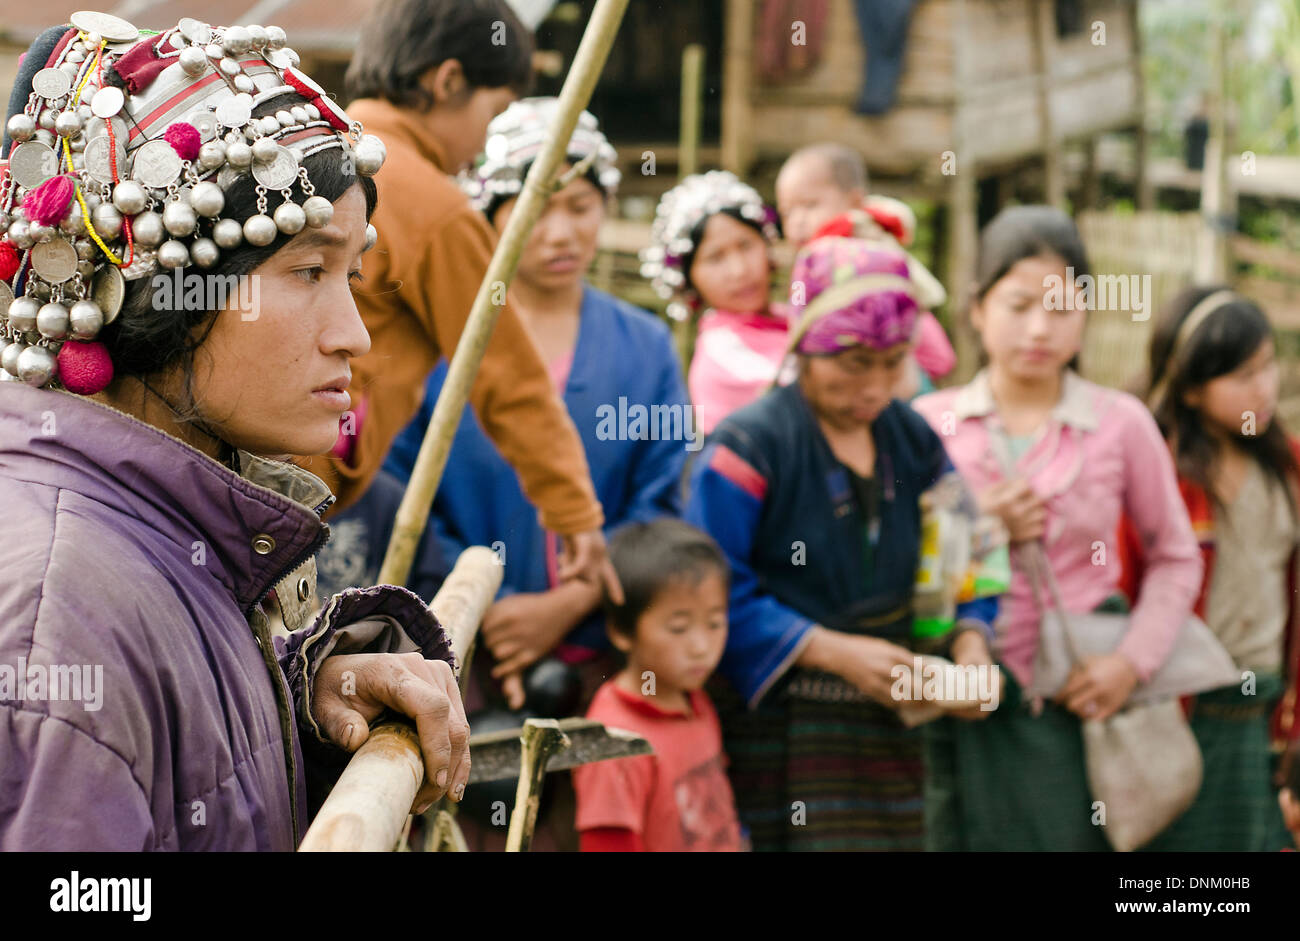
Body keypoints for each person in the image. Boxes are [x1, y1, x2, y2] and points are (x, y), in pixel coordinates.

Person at [0, 15, 468, 850]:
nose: (355, 334)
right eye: (308, 270)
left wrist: (305, 702)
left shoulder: (167, 533)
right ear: (163, 297)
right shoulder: (61, 623)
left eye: (351, 273)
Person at [684, 237, 998, 851]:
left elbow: (970, 553)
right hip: (773, 733)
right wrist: (829, 651)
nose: (876, 386)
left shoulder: (914, 441)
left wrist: (971, 646)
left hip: (887, 735)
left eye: (894, 362)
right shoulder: (747, 449)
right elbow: (706, 592)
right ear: (804, 343)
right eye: (854, 362)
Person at [305, 0, 619, 601]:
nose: (483, 140)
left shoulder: (303, 146)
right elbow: (506, 376)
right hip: (303, 477)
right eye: (493, 110)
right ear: (448, 82)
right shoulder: (435, 207)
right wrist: (576, 514)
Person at [911, 206, 1204, 851]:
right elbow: (898, 562)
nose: (1039, 329)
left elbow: (1177, 557)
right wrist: (982, 524)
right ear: (977, 308)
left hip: (1077, 705)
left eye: (1061, 306)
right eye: (1018, 305)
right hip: (957, 702)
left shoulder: (1120, 423)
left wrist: (1130, 664)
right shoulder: (929, 425)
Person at [385, 98, 691, 711]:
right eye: (537, 210)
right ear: (490, 220)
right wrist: (484, 604)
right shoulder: (442, 348)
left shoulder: (646, 346)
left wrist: (573, 602)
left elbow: (663, 496)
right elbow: (400, 485)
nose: (561, 232)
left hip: (610, 660)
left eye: (580, 207)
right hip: (454, 658)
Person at [1118, 287, 1300, 851]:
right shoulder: (1161, 475)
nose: (1264, 387)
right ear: (1192, 388)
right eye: (1242, 375)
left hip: (1264, 724)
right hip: (1181, 722)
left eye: (1269, 366)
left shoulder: (1287, 468)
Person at [572, 519, 745, 852]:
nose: (701, 646)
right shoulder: (614, 741)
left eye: (714, 623)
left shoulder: (695, 702)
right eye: (679, 628)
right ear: (622, 632)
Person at [775, 142, 954, 397]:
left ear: (855, 201)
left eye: (810, 205)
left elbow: (798, 328)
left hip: (900, 376)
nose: (797, 221)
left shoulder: (848, 250)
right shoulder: (876, 235)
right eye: (787, 212)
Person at [640, 170, 787, 435]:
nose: (739, 270)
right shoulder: (722, 357)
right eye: (715, 258)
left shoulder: (794, 317)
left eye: (745, 245)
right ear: (689, 280)